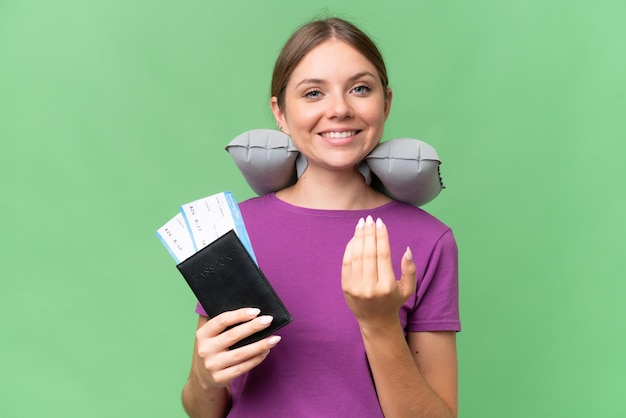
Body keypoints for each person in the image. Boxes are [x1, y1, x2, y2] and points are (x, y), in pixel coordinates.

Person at [181, 17, 460, 418]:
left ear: (387, 101)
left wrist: (379, 324)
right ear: (280, 112)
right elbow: (202, 410)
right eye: (313, 93)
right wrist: (204, 379)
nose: (340, 109)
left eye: (360, 88)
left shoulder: (429, 240)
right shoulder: (230, 231)